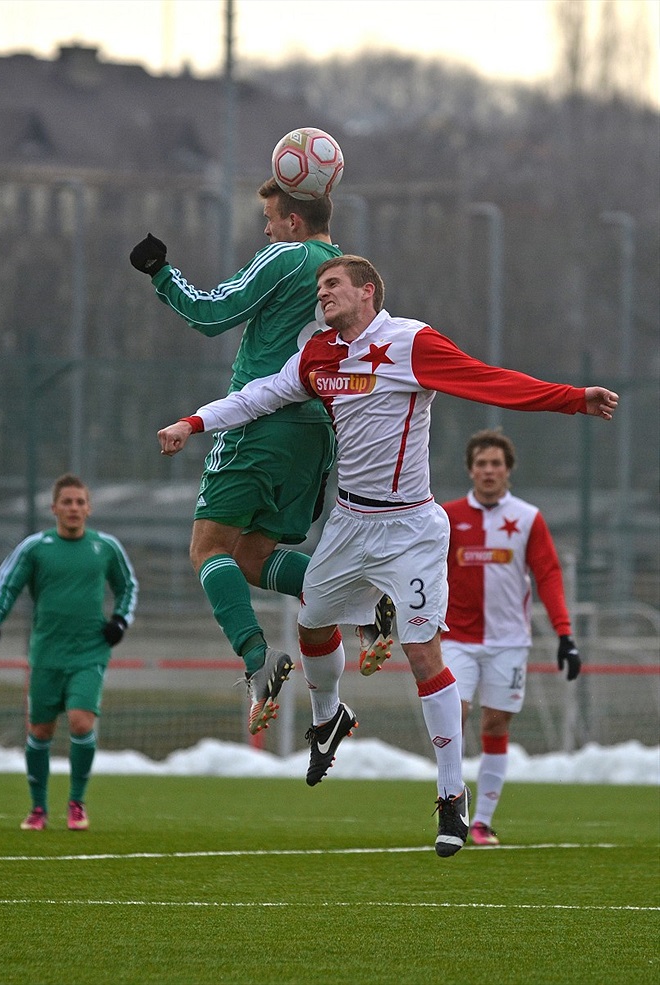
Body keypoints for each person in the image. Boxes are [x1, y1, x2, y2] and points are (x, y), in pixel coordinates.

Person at [157, 254, 617, 857]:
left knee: (424, 653)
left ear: (367, 291)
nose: (321, 294)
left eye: (332, 285)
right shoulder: (320, 353)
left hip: (411, 532)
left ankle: (452, 800)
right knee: (312, 622)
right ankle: (328, 716)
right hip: (349, 524)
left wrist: (571, 399)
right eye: (320, 287)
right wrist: (193, 422)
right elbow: (260, 395)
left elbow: (489, 380)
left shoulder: (410, 342)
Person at [129, 181, 391, 736]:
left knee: (207, 547)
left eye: (270, 218)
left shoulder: (289, 257)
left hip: (262, 422)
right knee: (251, 557)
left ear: (294, 221)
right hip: (318, 432)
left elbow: (210, 313)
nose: (266, 229)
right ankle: (367, 604)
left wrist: (160, 273)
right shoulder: (341, 273)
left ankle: (259, 660)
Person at [441, 429, 581, 846]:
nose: (488, 471)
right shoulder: (446, 517)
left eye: (495, 464)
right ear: (470, 469)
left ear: (508, 470)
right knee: (453, 715)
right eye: (481, 463)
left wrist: (565, 634)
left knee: (495, 722)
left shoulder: (526, 518)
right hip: (456, 638)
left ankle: (482, 821)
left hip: (508, 641)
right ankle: (450, 807)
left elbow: (548, 575)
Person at [0, 474, 138, 831]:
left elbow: (127, 586)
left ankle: (77, 803)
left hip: (89, 651)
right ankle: (38, 809)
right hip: (47, 653)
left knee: (82, 721)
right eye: (67, 502)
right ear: (54, 508)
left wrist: (119, 621)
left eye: (80, 502)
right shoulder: (36, 547)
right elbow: (6, 585)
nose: (74, 508)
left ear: (89, 508)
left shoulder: (105, 547)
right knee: (40, 730)